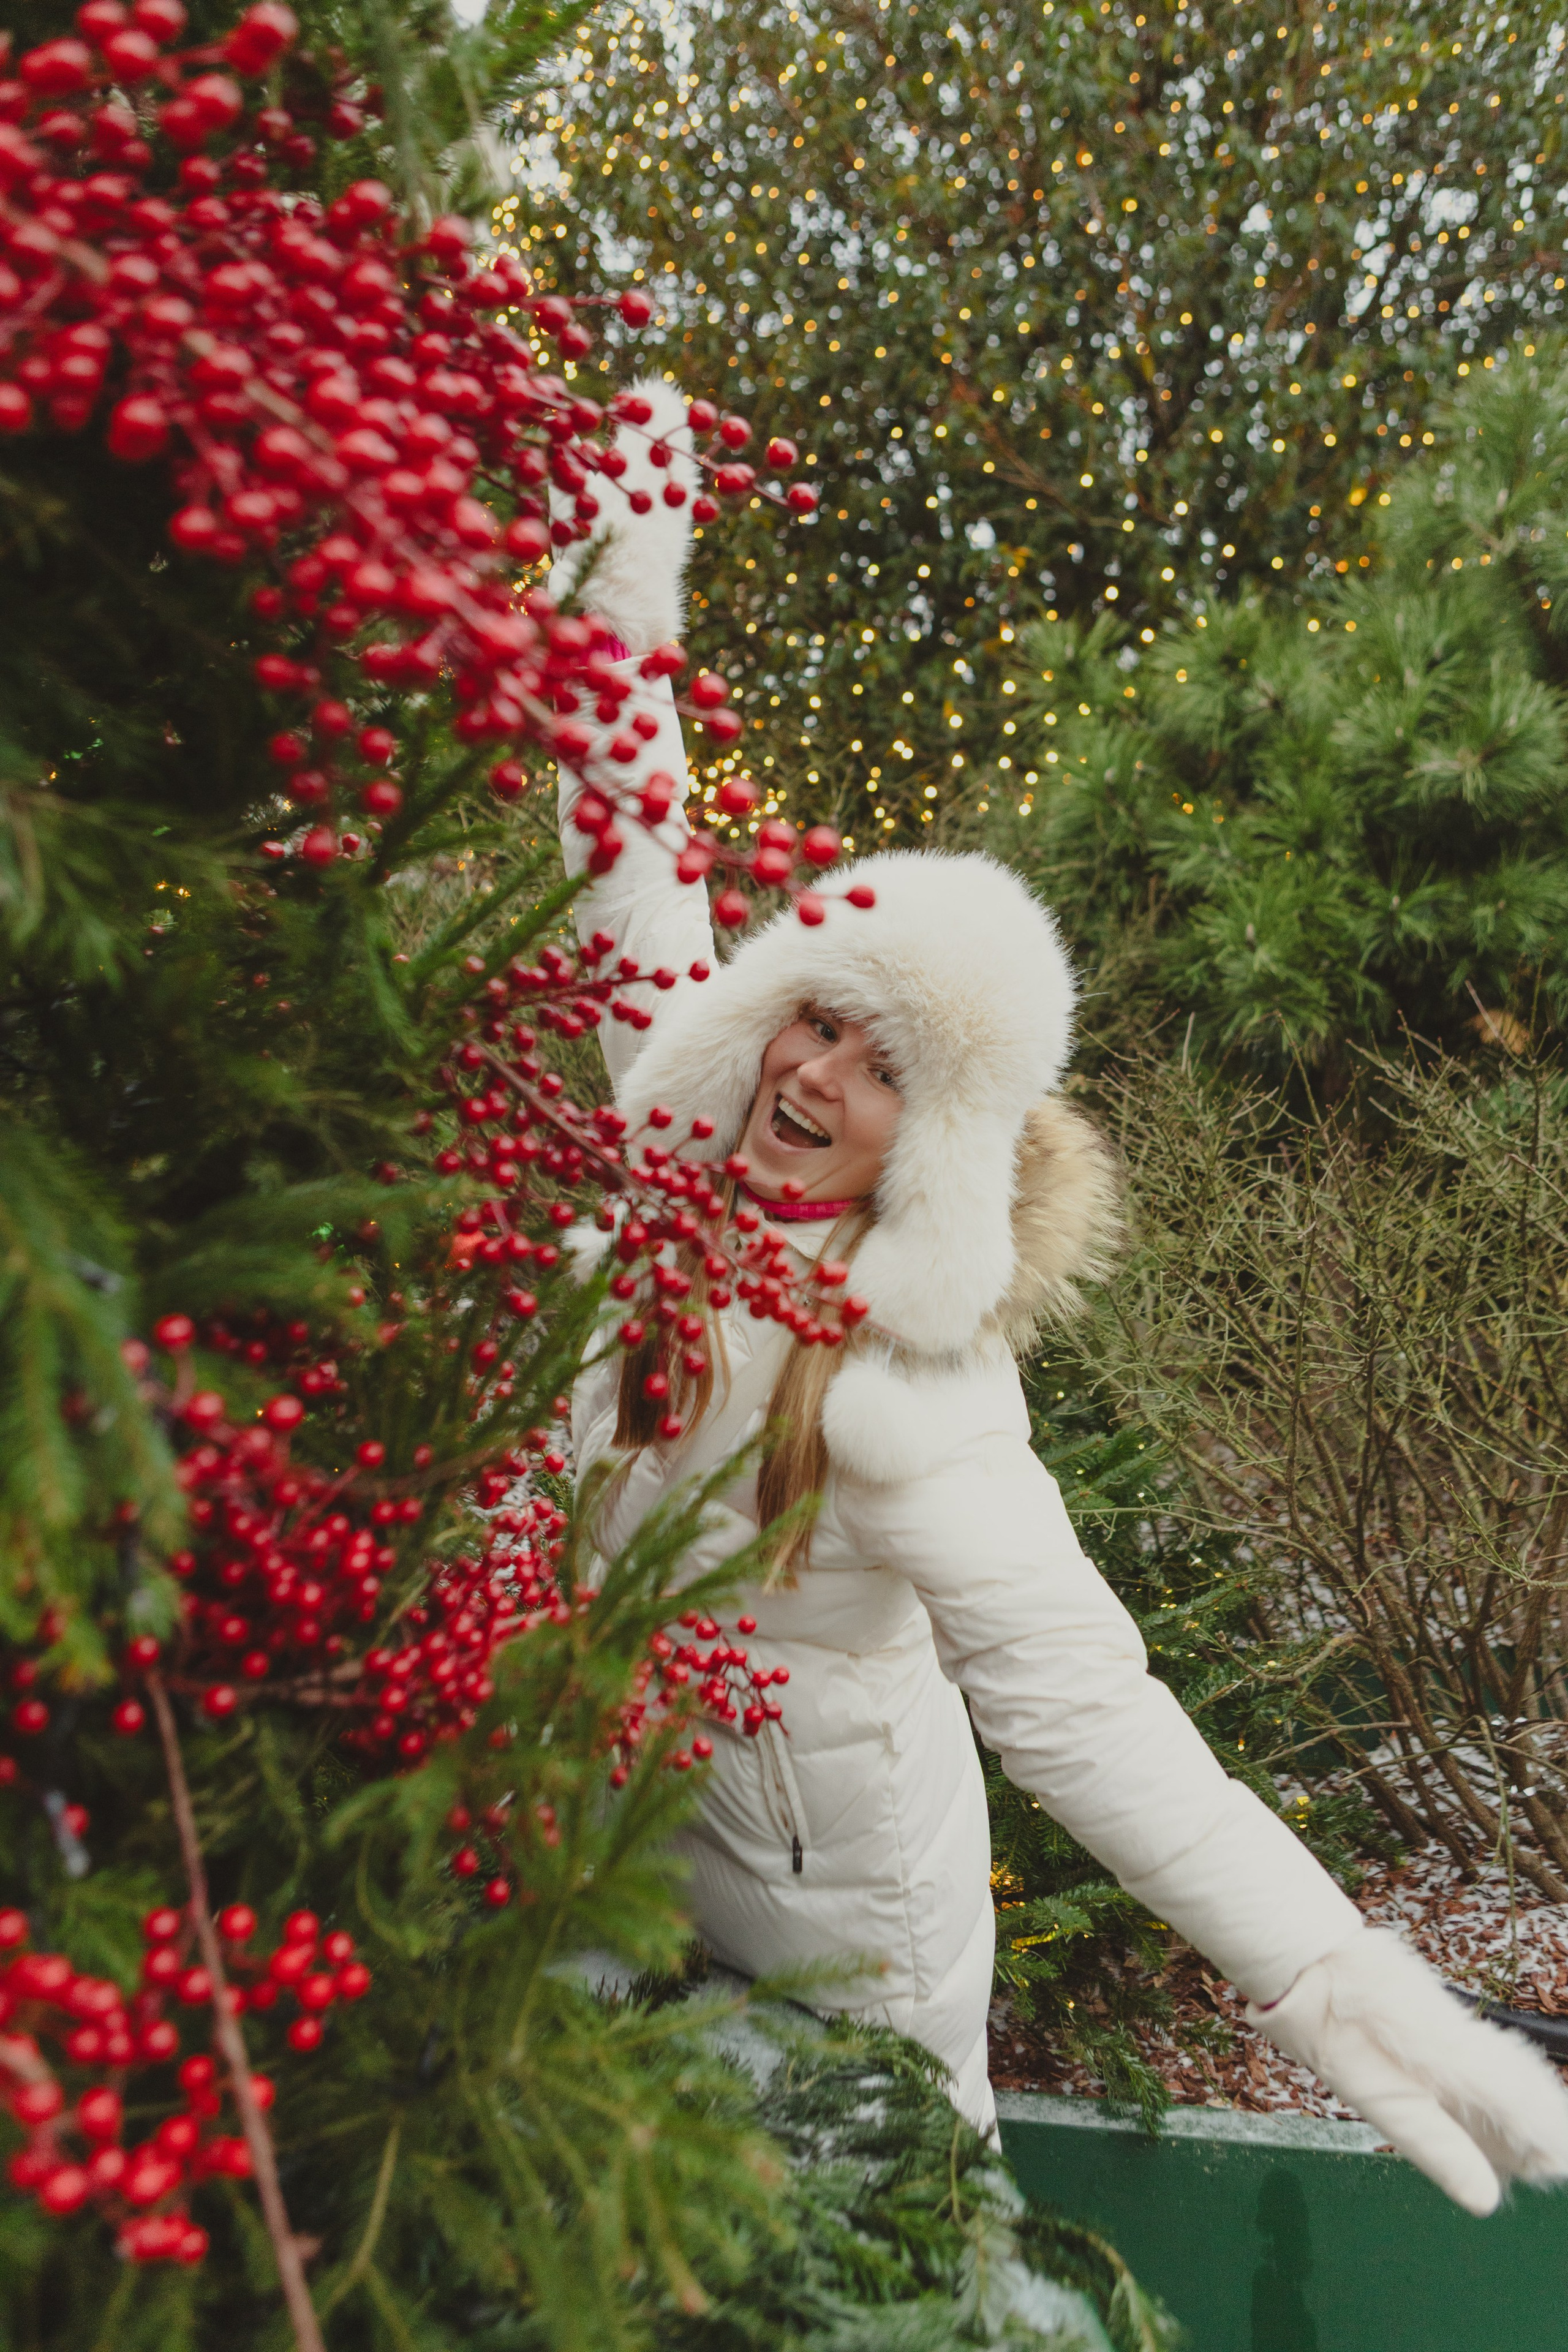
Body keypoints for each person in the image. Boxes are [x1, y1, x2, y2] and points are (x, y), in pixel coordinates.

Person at [549, 383, 1568, 2217]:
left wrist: (1329, 1973)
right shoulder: (668, 1174)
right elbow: (626, 840)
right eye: (820, 1011)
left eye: (885, 1068)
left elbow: (1081, 1700)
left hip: (845, 1902)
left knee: (899, 2237)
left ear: (931, 1142)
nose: (820, 1072)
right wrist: (626, 591)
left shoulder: (907, 1384)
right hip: (625, 1841)